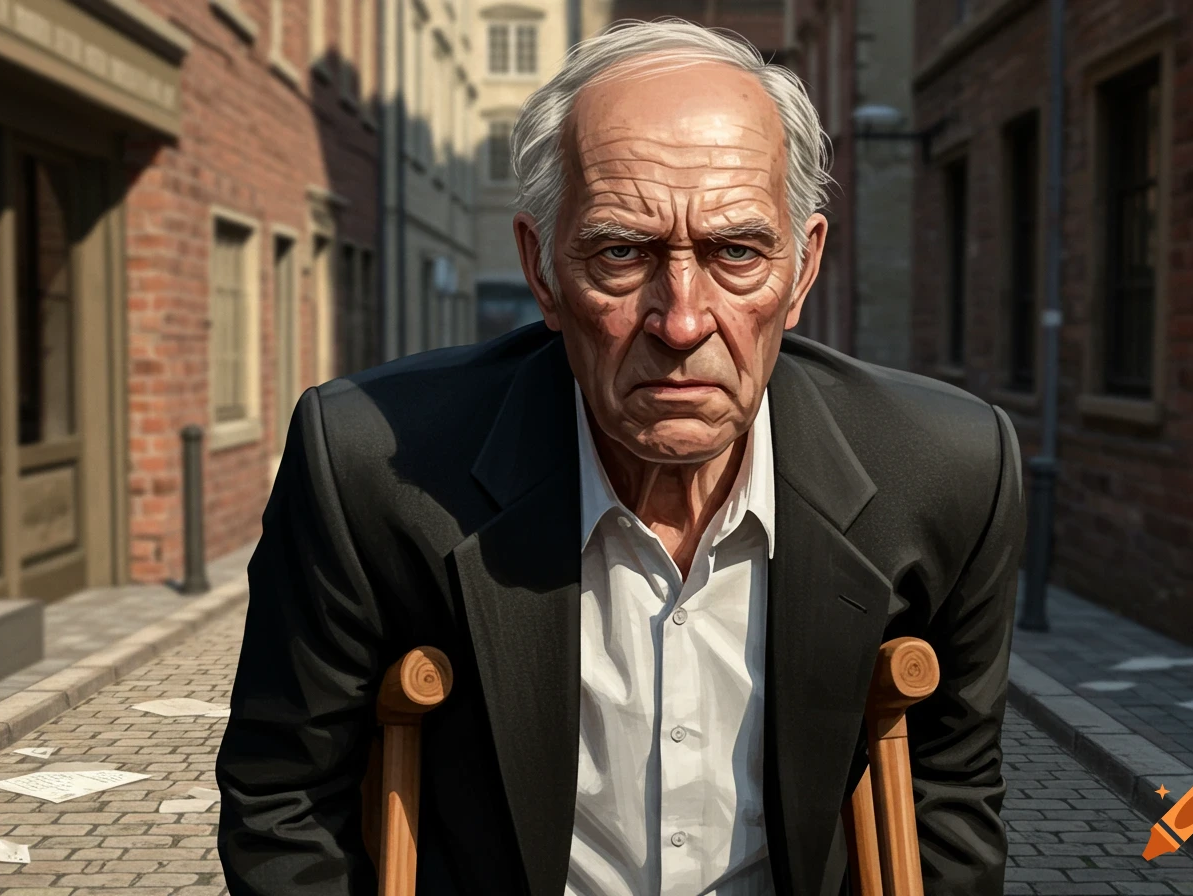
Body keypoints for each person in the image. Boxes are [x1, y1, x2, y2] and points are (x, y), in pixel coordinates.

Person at [216, 19, 1025, 896]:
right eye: (621, 252)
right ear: (544, 271)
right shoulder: (369, 467)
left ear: (801, 270)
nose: (681, 322)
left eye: (737, 253)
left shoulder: (949, 472)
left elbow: (948, 795)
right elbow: (285, 802)